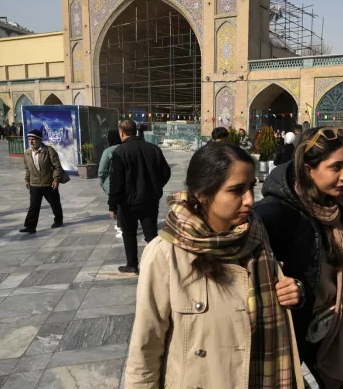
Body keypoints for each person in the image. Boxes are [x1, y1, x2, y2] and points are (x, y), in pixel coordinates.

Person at [125, 142, 304, 388]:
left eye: (251, 187)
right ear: (202, 194)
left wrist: (294, 291)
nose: (250, 200)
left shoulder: (256, 235)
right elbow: (146, 345)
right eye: (236, 190)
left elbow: (268, 299)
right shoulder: (166, 253)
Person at [254, 127, 343, 388]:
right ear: (309, 169)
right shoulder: (274, 215)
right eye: (336, 167)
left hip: (332, 327)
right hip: (294, 330)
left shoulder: (339, 206)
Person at [108, 120, 171, 274]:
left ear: (121, 132)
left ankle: (132, 265)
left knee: (129, 233)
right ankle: (156, 265)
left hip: (127, 202)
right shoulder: (153, 149)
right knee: (151, 234)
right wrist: (156, 187)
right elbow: (166, 172)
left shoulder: (119, 152)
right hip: (150, 200)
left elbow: (116, 182)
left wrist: (112, 205)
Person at [20, 129, 64, 234]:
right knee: (34, 206)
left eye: (33, 139)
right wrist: (27, 180)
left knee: (54, 203)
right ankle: (30, 226)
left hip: (48, 183)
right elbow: (27, 169)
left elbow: (57, 167)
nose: (31, 141)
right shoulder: (27, 153)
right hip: (34, 184)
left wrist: (56, 180)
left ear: (39, 140)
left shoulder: (49, 151)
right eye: (29, 139)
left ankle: (58, 220)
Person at [98, 129, 122, 238]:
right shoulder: (126, 148)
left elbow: (102, 171)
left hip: (112, 183)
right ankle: (120, 225)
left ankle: (121, 226)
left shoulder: (108, 151)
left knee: (116, 205)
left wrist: (103, 183)